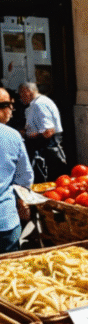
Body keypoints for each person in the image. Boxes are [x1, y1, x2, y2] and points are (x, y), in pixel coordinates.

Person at [0, 87, 31, 254]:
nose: (12, 111)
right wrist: (22, 202)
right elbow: (23, 177)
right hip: (4, 220)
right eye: (10, 106)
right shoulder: (12, 136)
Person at [19, 82, 67, 183]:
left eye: (21, 94)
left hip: (46, 149)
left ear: (27, 92)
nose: (20, 98)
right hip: (43, 147)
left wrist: (29, 135)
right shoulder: (36, 104)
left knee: (47, 181)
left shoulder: (39, 104)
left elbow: (48, 131)